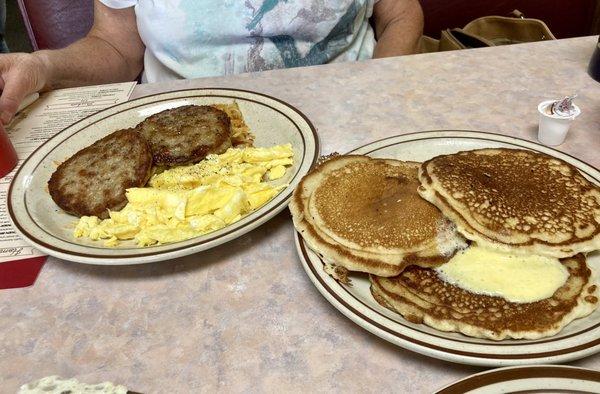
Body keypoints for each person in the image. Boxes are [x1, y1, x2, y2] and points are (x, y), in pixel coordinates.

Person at [0, 0, 423, 124]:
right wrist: (44, 68)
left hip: (351, 116)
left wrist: (379, 89)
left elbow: (400, 13)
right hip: (187, 131)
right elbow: (116, 48)